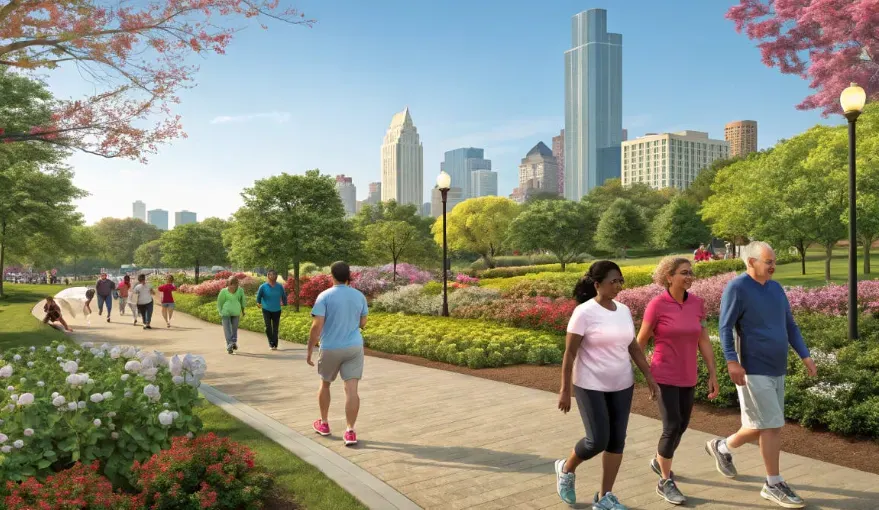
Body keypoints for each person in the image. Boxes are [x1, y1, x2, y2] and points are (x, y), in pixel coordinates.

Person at [705, 241, 817, 509]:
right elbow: (725, 327)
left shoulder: (776, 288)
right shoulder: (737, 288)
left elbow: (790, 324)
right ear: (751, 262)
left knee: (759, 424)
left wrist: (805, 355)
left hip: (777, 366)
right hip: (752, 368)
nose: (773, 265)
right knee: (772, 425)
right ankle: (773, 483)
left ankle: (722, 447)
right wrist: (732, 362)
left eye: (773, 260)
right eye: (768, 261)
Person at [555, 261, 659, 509]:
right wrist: (565, 390)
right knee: (597, 440)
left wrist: (649, 376)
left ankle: (604, 497)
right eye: (613, 281)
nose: (618, 286)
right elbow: (569, 354)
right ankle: (566, 468)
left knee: (616, 441)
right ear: (597, 284)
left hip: (622, 384)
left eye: (620, 281)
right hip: (590, 384)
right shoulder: (584, 312)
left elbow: (632, 346)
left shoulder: (622, 310)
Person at [636, 257, 720, 505]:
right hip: (662, 374)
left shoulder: (697, 304)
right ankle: (665, 481)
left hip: (688, 375)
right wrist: (643, 375)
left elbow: (703, 340)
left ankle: (659, 459)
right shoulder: (657, 305)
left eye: (691, 272)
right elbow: (640, 342)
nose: (689, 276)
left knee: (682, 426)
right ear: (669, 276)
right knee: (671, 426)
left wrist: (713, 373)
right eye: (684, 272)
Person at [307, 261, 368, 447]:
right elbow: (363, 323)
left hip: (331, 347)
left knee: (325, 384)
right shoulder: (359, 296)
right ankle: (350, 431)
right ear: (349, 275)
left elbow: (317, 326)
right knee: (352, 390)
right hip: (354, 347)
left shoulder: (324, 296)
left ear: (331, 275)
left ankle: (324, 423)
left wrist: (310, 349)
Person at [256, 269, 288, 350]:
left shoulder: (279, 286)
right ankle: (271, 342)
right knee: (268, 327)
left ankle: (275, 344)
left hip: (277, 309)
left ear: (276, 276)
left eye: (274, 275)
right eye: (270, 275)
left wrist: (284, 303)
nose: (272, 276)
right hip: (266, 309)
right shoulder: (263, 286)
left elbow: (284, 295)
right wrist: (258, 303)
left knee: (275, 328)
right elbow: (259, 297)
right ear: (267, 276)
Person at [217, 276, 246, 354]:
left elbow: (242, 300)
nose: (232, 286)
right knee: (227, 329)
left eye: (235, 284)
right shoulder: (223, 291)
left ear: (237, 284)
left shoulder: (240, 291)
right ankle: (230, 344)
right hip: (225, 313)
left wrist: (243, 310)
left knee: (234, 329)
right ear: (228, 284)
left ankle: (233, 342)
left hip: (236, 312)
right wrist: (220, 311)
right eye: (231, 284)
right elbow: (220, 302)